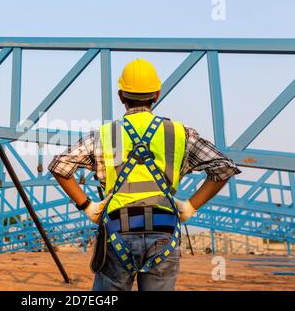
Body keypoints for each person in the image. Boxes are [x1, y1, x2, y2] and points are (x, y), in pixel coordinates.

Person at [48, 58, 241, 291]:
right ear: (157, 94)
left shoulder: (106, 135)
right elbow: (223, 167)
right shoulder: (178, 133)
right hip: (164, 230)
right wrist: (190, 206)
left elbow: (60, 166)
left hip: (118, 229)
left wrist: (88, 207)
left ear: (121, 96)